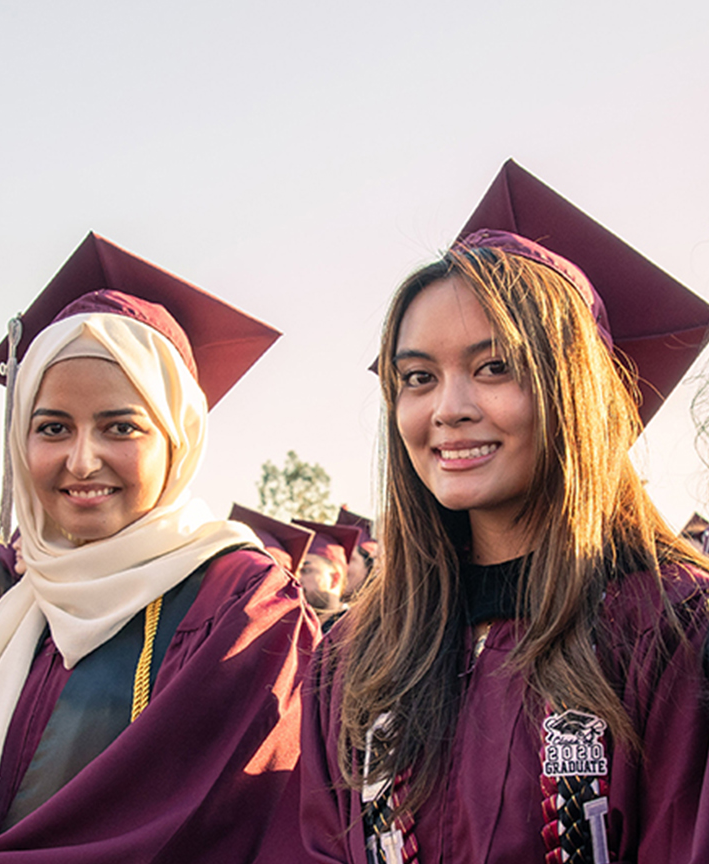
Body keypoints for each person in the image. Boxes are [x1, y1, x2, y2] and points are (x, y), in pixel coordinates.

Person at [0, 234, 318, 862]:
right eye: (52, 427)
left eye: (121, 426)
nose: (82, 460)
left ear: (178, 439)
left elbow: (177, 831)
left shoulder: (243, 604)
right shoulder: (5, 615)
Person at [299, 161, 709, 863]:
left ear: (574, 389)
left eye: (495, 367)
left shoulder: (672, 631)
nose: (448, 408)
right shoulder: (356, 658)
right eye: (417, 377)